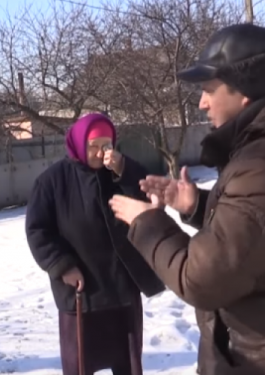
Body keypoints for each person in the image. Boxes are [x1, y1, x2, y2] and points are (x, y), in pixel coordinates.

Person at [108, 23, 265, 375]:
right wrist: (198, 206)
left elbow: (203, 278)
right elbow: (253, 231)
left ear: (244, 92)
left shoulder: (257, 165)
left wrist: (146, 224)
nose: (201, 102)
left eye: (209, 89)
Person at [25, 113, 165, 375]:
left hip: (121, 288)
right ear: (79, 143)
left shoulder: (118, 173)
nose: (102, 153)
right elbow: (37, 230)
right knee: (80, 365)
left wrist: (124, 168)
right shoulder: (51, 182)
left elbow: (152, 197)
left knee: (128, 363)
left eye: (107, 145)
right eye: (94, 146)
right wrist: (63, 266)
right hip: (82, 290)